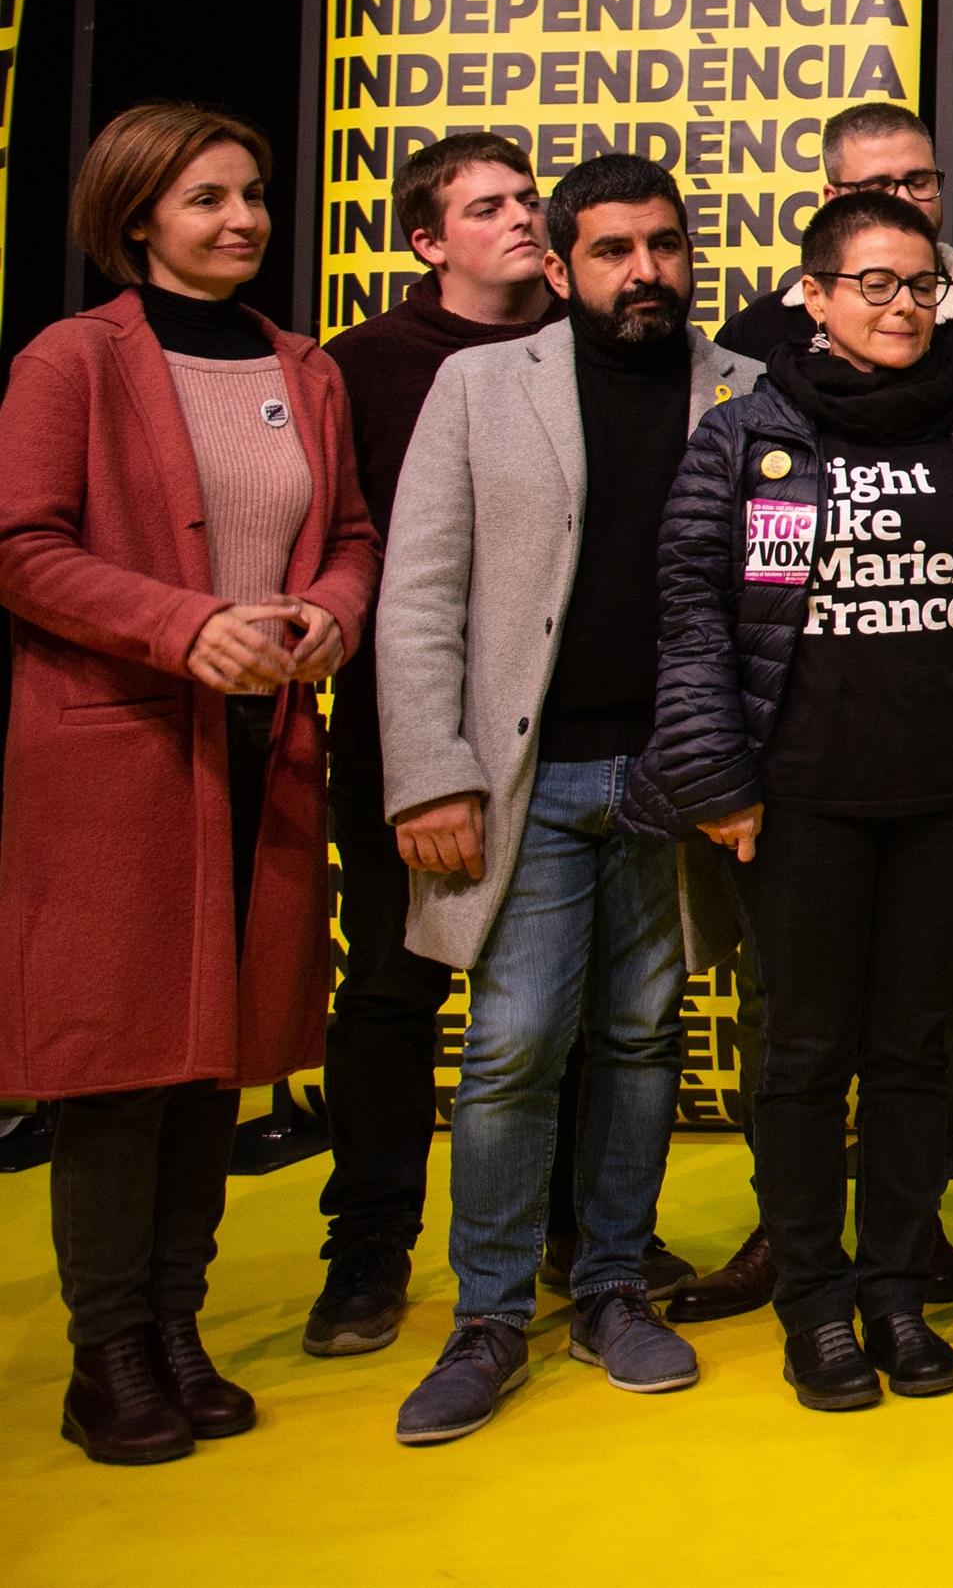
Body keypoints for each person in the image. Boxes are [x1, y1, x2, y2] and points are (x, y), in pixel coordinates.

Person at [635, 189, 953, 1411]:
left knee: (912, 1051)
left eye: (920, 284)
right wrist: (716, 779)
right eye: (874, 284)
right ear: (815, 298)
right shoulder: (742, 436)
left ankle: (894, 1286)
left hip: (951, 795)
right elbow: (690, 627)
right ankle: (815, 1305)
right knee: (805, 1052)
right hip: (797, 805)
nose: (901, 306)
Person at [0, 102, 379, 1465]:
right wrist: (184, 622)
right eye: (208, 197)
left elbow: (344, 531)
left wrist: (331, 608)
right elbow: (23, 549)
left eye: (254, 194)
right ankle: (107, 1354)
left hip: (261, 745)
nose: (242, 219)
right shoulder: (75, 358)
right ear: (137, 214)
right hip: (119, 749)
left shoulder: (303, 365)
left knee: (215, 1051)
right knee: (121, 1061)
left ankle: (175, 1325)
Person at [372, 157, 762, 1442]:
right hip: (524, 775)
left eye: (664, 246)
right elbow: (420, 591)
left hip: (675, 778)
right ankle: (487, 1315)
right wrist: (430, 767)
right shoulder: (480, 385)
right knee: (513, 1045)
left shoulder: (745, 391)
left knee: (645, 1036)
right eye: (612, 250)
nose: (643, 272)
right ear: (559, 262)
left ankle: (609, 1286)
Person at [306, 130, 555, 1357]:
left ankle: (571, 1236)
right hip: (407, 727)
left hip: (560, 726)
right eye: (488, 206)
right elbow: (354, 558)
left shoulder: (591, 345)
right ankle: (366, 1250)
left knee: (565, 994)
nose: (522, 218)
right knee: (395, 989)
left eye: (528, 199)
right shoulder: (361, 368)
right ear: (424, 239)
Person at [716, 100, 953, 379]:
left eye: (919, 181)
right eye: (878, 186)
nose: (905, 200)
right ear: (832, 198)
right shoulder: (758, 332)